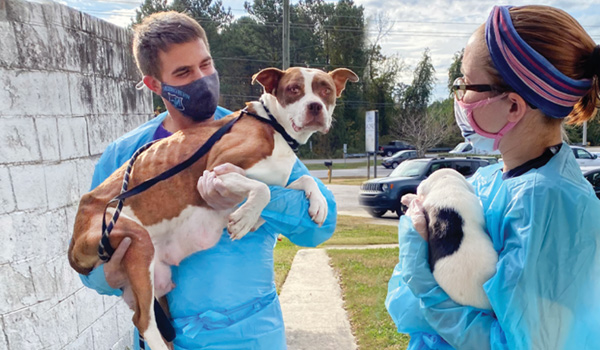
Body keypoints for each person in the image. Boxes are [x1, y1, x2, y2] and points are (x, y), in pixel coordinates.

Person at [78, 11, 337, 350]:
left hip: (248, 336)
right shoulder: (125, 157)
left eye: (206, 64)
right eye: (184, 72)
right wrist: (108, 274)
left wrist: (256, 197)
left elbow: (321, 225)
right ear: (154, 84)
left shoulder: (256, 134)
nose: (201, 78)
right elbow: (91, 269)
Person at [386, 5, 600, 349]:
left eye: (466, 84)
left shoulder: (552, 204)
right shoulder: (490, 181)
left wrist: (425, 284)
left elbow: (523, 343)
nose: (459, 96)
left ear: (513, 106)